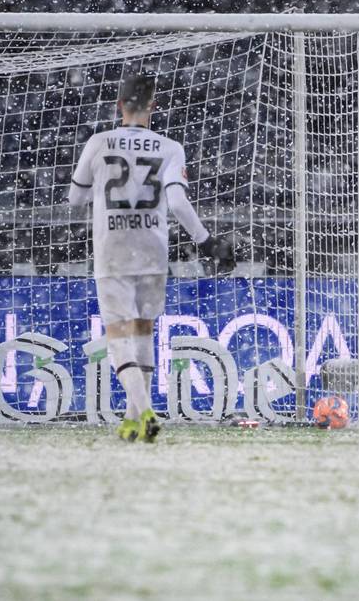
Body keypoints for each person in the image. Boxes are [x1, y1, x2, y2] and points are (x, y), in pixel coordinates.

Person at [69, 72, 234, 443]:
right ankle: (133, 420)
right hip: (152, 247)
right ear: (152, 107)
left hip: (112, 246)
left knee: (117, 334)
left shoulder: (98, 142)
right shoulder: (170, 147)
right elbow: (177, 202)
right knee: (143, 329)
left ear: (118, 106)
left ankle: (143, 410)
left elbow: (75, 199)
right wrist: (207, 242)